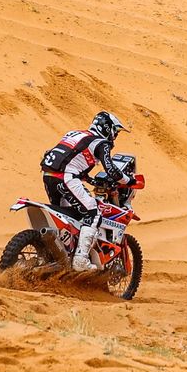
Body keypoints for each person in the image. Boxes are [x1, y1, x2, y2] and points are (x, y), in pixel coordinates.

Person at [40, 111, 131, 271]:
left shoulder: (74, 134)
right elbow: (111, 170)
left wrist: (90, 180)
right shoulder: (101, 142)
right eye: (115, 132)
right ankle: (81, 259)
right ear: (108, 128)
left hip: (49, 176)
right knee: (92, 212)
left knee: (66, 217)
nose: (114, 136)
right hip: (66, 177)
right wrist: (129, 180)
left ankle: (54, 258)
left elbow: (67, 157)